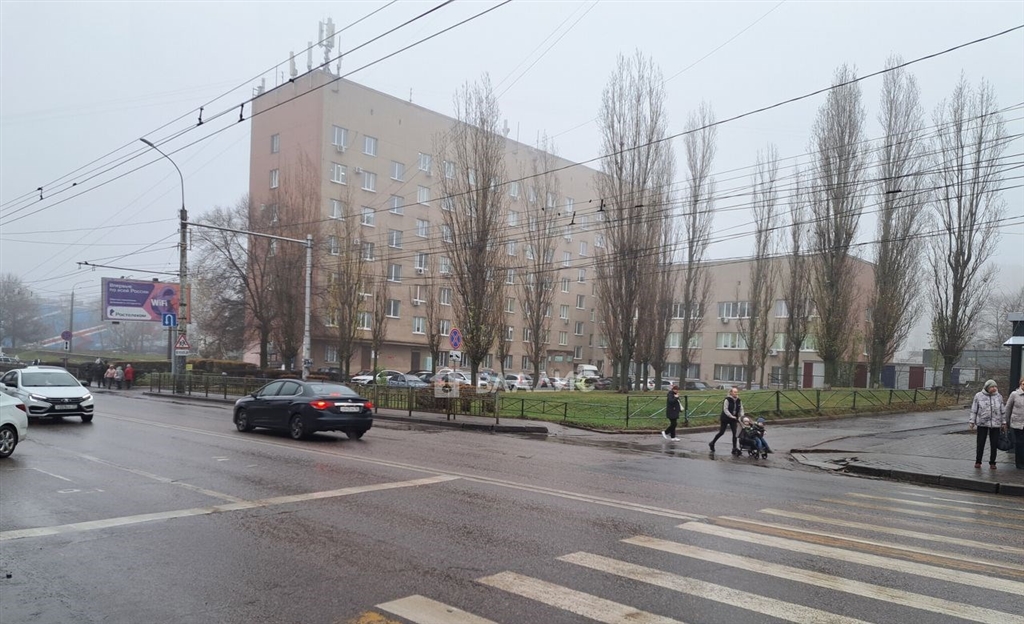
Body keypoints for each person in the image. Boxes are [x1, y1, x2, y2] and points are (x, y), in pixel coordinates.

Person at [969, 379, 1006, 469]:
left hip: (995, 423)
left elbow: (1002, 410)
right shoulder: (978, 396)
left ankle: (992, 462)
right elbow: (974, 409)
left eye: (995, 386)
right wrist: (972, 421)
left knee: (994, 444)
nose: (994, 388)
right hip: (982, 423)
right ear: (987, 387)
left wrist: (1004, 422)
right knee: (980, 443)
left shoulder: (999, 396)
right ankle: (978, 461)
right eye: (992, 387)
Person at [710, 386, 743, 455]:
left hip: (734, 418)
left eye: (737, 392)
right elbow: (725, 409)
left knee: (735, 433)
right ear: (731, 393)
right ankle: (712, 443)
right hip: (725, 418)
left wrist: (741, 416)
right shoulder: (727, 400)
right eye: (734, 392)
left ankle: (734, 448)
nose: (736, 393)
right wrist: (731, 416)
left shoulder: (739, 400)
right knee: (721, 432)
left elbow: (741, 409)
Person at [1005, 376, 1024, 470]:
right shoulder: (1014, 394)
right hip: (1017, 423)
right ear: (1020, 384)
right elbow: (1008, 408)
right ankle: (1019, 463)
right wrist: (1006, 422)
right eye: (1023, 384)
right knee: (1019, 443)